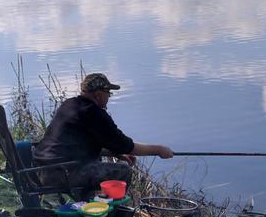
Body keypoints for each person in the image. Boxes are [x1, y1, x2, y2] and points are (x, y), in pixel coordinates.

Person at [32, 73, 173, 197]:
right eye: (108, 93)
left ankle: (87, 204)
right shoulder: (94, 113)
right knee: (123, 171)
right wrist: (159, 150)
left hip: (40, 170)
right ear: (98, 94)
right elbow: (125, 145)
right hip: (61, 175)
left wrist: (116, 154)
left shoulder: (69, 105)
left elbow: (79, 145)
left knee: (95, 163)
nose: (109, 97)